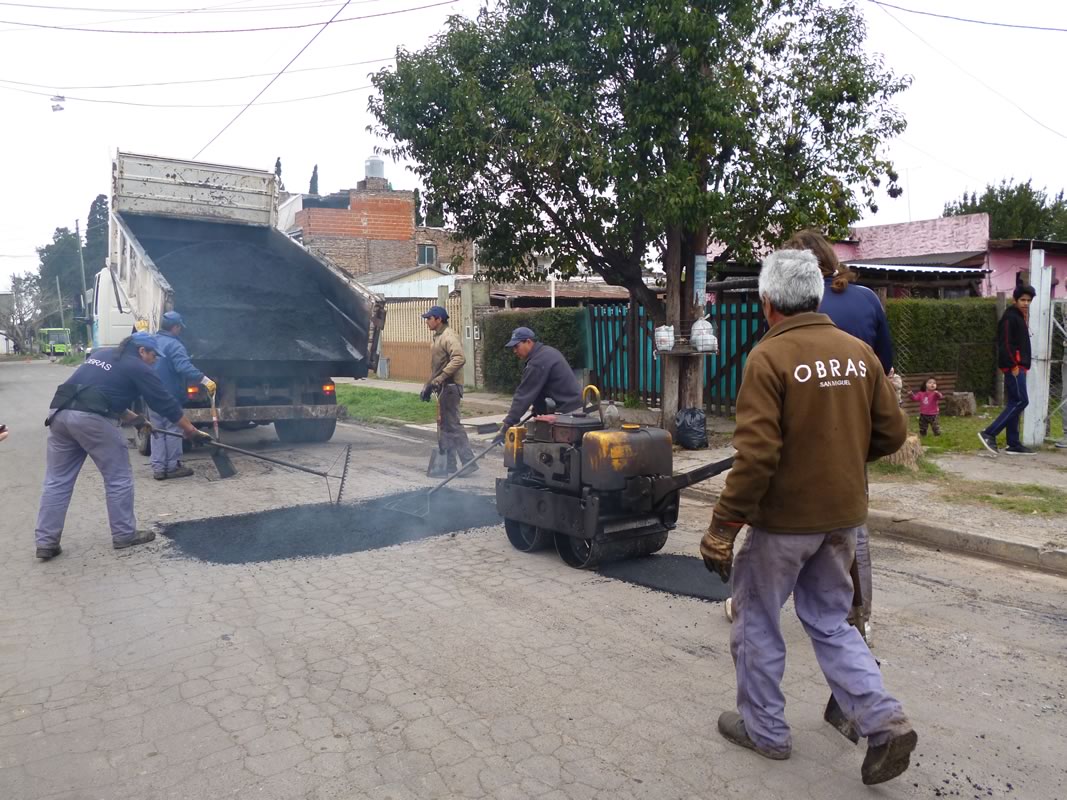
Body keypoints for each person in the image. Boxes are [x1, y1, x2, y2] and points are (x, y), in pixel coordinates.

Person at [701, 249, 915, 785]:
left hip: (784, 524)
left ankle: (765, 731)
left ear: (767, 303)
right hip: (843, 518)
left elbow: (756, 458)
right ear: (818, 298)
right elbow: (891, 434)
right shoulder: (858, 354)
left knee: (755, 621)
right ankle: (884, 721)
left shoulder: (768, 359)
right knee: (831, 623)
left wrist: (723, 526)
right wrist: (837, 457)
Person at [33, 332, 204, 560]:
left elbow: (99, 392)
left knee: (56, 482)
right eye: (154, 356)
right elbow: (165, 403)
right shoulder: (139, 367)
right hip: (92, 420)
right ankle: (124, 534)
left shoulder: (103, 354)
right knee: (118, 477)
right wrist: (190, 430)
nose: (155, 360)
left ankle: (46, 543)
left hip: (60, 414)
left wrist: (137, 420)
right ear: (142, 351)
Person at [150, 311, 216, 480]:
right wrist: (205, 380)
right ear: (176, 327)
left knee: (157, 430)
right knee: (173, 430)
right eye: (180, 328)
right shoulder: (174, 345)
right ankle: (172, 467)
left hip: (152, 394)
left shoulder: (152, 341)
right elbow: (183, 367)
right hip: (170, 395)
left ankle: (158, 468)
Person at [492, 327, 582, 443]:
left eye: (516, 346)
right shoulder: (546, 352)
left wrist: (507, 426)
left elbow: (523, 396)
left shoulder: (537, 363)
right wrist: (538, 409)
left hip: (569, 412)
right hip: (573, 407)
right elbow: (541, 389)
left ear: (528, 342)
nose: (514, 351)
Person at [979, 285, 1036, 456]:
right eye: (1023, 300)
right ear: (1015, 300)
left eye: (1028, 300)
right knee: (1020, 401)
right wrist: (1013, 365)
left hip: (1019, 366)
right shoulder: (1010, 318)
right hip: (1014, 367)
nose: (1026, 303)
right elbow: (1005, 344)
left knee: (1014, 402)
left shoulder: (1019, 317)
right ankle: (989, 433)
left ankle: (1013, 443)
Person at [419, 305, 475, 475]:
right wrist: (427, 387)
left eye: (429, 318)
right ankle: (449, 465)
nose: (427, 322)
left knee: (453, 426)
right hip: (443, 387)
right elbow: (437, 367)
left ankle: (469, 462)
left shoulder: (449, 336)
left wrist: (441, 378)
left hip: (450, 387)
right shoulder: (438, 337)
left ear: (439, 319)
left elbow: (459, 358)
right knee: (445, 427)